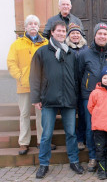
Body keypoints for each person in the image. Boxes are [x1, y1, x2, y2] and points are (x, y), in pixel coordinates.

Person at [30, 21, 84, 178]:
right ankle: (44, 164)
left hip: (68, 100)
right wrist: (36, 98)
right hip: (48, 99)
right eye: (58, 31)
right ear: (52, 33)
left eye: (63, 31)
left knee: (71, 133)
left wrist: (75, 96)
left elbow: (76, 78)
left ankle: (74, 161)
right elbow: (34, 77)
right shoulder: (42, 52)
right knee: (46, 134)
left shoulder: (71, 54)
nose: (61, 33)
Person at [79, 22, 107, 172]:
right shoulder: (85, 53)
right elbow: (79, 74)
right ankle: (93, 157)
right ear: (95, 35)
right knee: (93, 129)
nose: (102, 36)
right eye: (99, 33)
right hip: (90, 97)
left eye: (105, 34)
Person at [7, 15, 52, 155]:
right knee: (25, 114)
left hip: (40, 86)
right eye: (30, 24)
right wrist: (19, 76)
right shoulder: (17, 44)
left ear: (38, 27)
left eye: (35, 24)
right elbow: (11, 62)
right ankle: (24, 142)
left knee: (41, 114)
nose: (33, 26)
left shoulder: (45, 43)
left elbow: (50, 63)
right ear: (25, 27)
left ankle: (41, 141)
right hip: (24, 85)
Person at [66, 23, 88, 151]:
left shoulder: (86, 49)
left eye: (77, 33)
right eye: (73, 33)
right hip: (69, 88)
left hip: (83, 87)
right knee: (70, 116)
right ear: (69, 36)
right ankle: (72, 139)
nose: (75, 35)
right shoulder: (65, 49)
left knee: (83, 115)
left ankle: (81, 138)